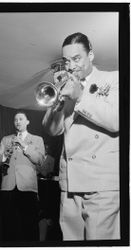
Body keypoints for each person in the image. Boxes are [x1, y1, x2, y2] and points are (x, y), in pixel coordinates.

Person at [42, 32, 119, 240]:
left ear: (91, 55)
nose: (71, 66)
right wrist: (58, 99)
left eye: (76, 59)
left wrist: (80, 97)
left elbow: (116, 121)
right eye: (66, 61)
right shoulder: (67, 89)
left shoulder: (114, 78)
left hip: (102, 182)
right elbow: (52, 130)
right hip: (69, 183)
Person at [0, 111, 45, 241]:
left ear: (27, 122)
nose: (18, 121)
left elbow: (40, 160)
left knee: (29, 225)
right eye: (15, 119)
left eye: (21, 119)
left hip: (28, 187)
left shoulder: (37, 139)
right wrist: (5, 155)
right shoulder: (6, 139)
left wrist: (24, 145)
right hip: (8, 186)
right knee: (9, 225)